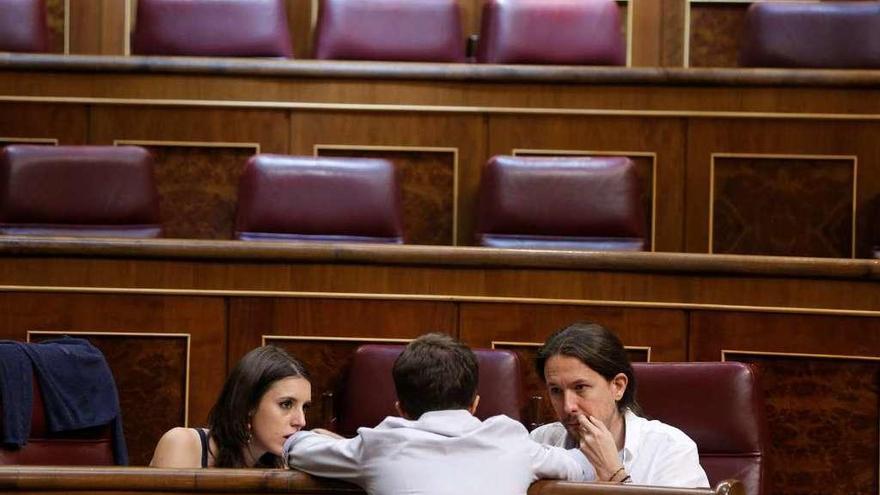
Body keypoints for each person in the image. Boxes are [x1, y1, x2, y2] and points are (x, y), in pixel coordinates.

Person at [284, 333, 590, 495]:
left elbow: (297, 449)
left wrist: (333, 442)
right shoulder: (511, 439)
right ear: (475, 404)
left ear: (401, 410)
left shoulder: (381, 443)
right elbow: (580, 468)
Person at [530, 322, 709, 487]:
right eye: (556, 390)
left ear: (618, 386)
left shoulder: (670, 449)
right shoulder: (540, 442)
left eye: (580, 387)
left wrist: (614, 474)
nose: (568, 406)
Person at [150, 345, 311, 468]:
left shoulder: (284, 466)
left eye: (304, 407)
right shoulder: (182, 444)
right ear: (248, 404)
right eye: (286, 404)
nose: (301, 421)